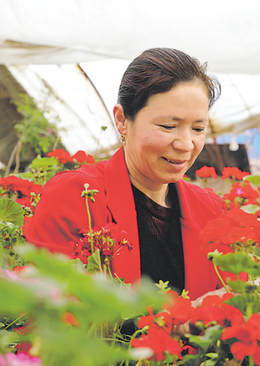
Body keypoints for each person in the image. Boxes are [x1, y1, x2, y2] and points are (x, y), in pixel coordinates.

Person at [25, 48, 224, 300]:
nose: (185, 144)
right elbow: (49, 309)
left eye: (198, 128)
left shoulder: (209, 208)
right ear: (121, 120)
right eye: (168, 126)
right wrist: (181, 321)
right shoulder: (76, 197)